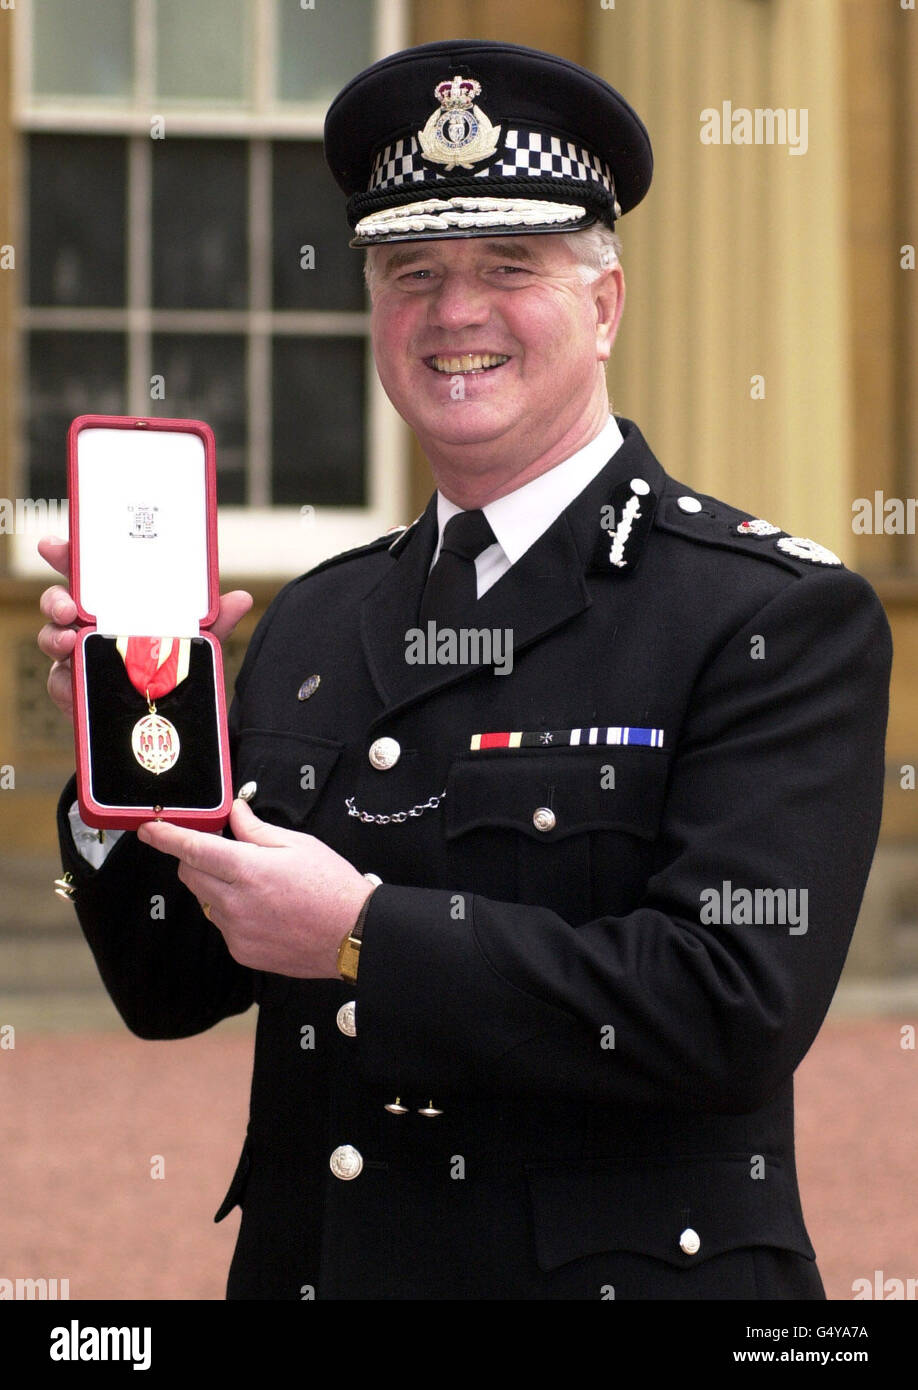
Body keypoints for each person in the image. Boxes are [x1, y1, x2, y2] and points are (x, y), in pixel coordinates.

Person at [38, 39, 890, 1300]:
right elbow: (174, 986)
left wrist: (364, 938)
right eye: (411, 271)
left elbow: (732, 1005)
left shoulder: (768, 615)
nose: (454, 313)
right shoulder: (319, 619)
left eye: (510, 266)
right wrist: (134, 766)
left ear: (604, 304)